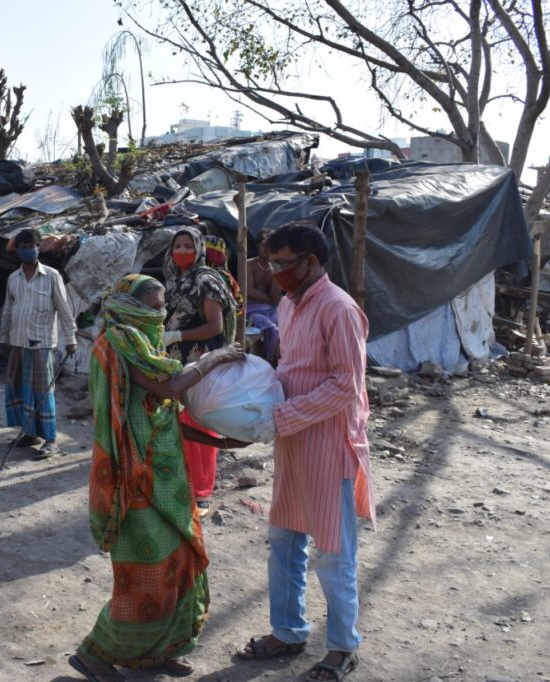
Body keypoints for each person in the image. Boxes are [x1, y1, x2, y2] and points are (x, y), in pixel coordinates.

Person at [69, 274, 247, 682]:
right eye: (151, 306)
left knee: (181, 563)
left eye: (162, 305)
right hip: (135, 480)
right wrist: (211, 359)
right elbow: (167, 389)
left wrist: (217, 442)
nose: (159, 313)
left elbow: (160, 415)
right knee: (146, 574)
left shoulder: (145, 344)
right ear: (129, 307)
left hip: (167, 477)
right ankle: (94, 654)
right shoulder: (119, 344)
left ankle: (160, 649)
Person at [236, 221, 374, 682]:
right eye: (269, 263)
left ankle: (341, 647)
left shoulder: (339, 309)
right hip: (292, 442)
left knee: (333, 553)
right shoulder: (288, 306)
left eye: (282, 263)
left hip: (330, 446)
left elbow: (345, 386)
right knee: (284, 542)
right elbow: (289, 368)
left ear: (311, 262)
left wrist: (281, 417)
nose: (274, 272)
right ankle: (289, 630)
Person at [163, 226, 237, 514]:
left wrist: (178, 336)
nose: (181, 251)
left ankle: (201, 492)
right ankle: (179, 484)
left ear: (199, 249)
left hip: (199, 361)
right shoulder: (173, 280)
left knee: (199, 423)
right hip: (172, 360)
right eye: (177, 246)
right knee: (175, 424)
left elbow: (215, 326)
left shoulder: (206, 280)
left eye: (187, 246)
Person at [0, 228, 77, 460]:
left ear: (38, 247)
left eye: (30, 246)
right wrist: (3, 338)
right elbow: (8, 311)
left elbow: (64, 310)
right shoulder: (13, 278)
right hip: (19, 343)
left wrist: (71, 339)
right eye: (22, 247)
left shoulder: (52, 276)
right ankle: (29, 434)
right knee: (22, 390)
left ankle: (50, 440)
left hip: (42, 345)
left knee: (43, 392)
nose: (26, 250)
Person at [246, 228, 283, 365]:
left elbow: (275, 295)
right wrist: (269, 299)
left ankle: (283, 363)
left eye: (269, 244)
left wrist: (275, 270)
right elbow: (248, 291)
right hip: (252, 309)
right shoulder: (249, 264)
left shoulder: (275, 266)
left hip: (271, 308)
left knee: (284, 327)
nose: (266, 247)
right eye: (263, 243)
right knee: (272, 330)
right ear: (257, 245)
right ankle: (269, 364)